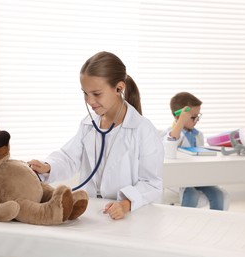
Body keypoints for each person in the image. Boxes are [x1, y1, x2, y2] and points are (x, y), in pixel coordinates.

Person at [28, 51, 164, 220]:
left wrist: (126, 204)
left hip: (128, 216)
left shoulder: (143, 130)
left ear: (119, 88)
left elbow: (152, 183)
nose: (89, 101)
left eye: (96, 94)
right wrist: (48, 166)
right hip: (92, 211)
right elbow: (69, 157)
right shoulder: (88, 124)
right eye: (85, 93)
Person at [162, 92, 226, 210]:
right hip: (180, 178)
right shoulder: (172, 133)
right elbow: (171, 141)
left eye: (198, 116)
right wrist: (180, 122)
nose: (197, 120)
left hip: (197, 176)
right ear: (178, 116)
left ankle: (217, 225)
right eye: (193, 117)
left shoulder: (198, 135)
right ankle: (185, 225)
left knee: (218, 194)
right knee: (192, 194)